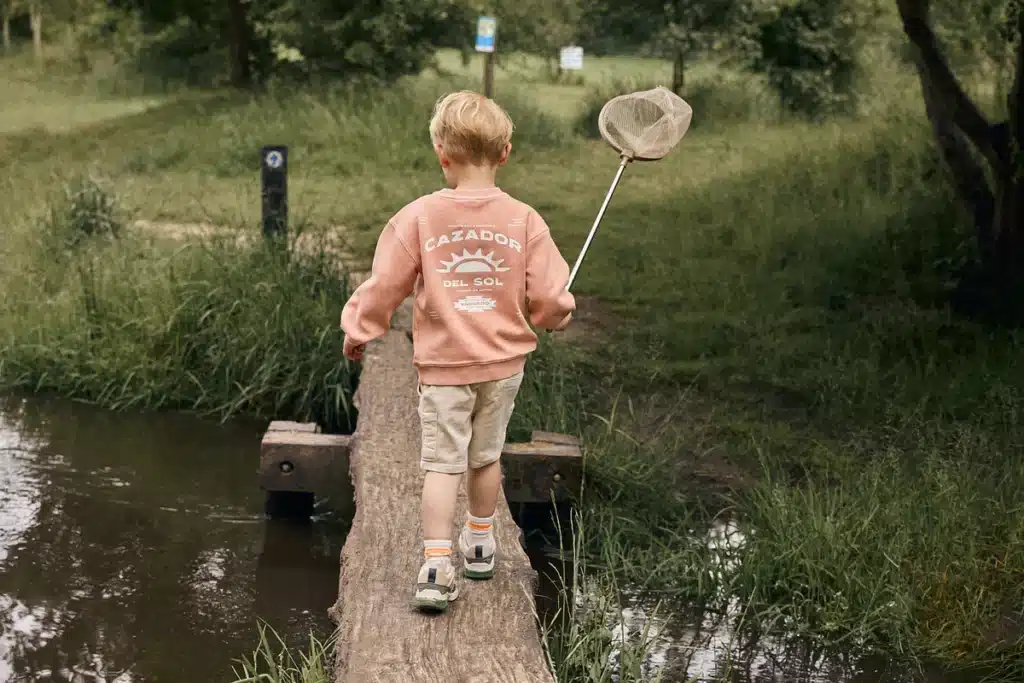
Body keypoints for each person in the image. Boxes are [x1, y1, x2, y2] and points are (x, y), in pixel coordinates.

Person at [340, 90, 576, 612]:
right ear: (506, 152)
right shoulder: (525, 220)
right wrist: (555, 313)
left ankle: (435, 564)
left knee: (442, 465)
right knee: (486, 455)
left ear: (441, 152)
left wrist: (359, 328)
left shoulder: (420, 217)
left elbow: (385, 286)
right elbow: (552, 298)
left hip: (445, 368)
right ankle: (480, 542)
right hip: (503, 366)